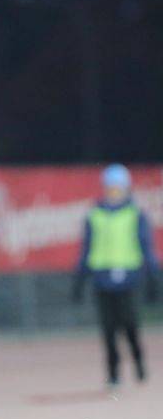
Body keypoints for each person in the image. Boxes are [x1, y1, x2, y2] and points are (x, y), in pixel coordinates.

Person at [73, 164, 158, 387]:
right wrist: (80, 280)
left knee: (130, 325)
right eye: (110, 187)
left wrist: (153, 278)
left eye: (118, 187)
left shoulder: (135, 214)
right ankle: (113, 374)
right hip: (102, 278)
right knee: (108, 330)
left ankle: (139, 362)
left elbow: (146, 247)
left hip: (129, 278)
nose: (114, 191)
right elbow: (87, 249)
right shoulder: (95, 214)